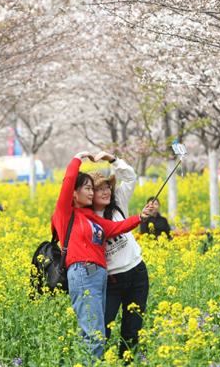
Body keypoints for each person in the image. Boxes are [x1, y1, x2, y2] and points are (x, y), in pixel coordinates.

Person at [52, 151, 153, 362]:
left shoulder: (89, 216)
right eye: (88, 188)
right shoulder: (64, 212)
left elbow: (115, 227)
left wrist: (140, 217)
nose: (92, 193)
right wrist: (77, 158)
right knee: (95, 336)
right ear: (73, 192)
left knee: (96, 333)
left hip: (100, 275)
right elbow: (69, 180)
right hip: (84, 274)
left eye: (94, 188)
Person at [87, 152, 148, 362]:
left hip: (137, 273)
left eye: (107, 187)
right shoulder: (86, 219)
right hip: (111, 280)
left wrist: (112, 159)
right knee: (102, 330)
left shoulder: (118, 204)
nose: (106, 191)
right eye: (99, 189)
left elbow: (130, 177)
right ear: (88, 195)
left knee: (132, 331)